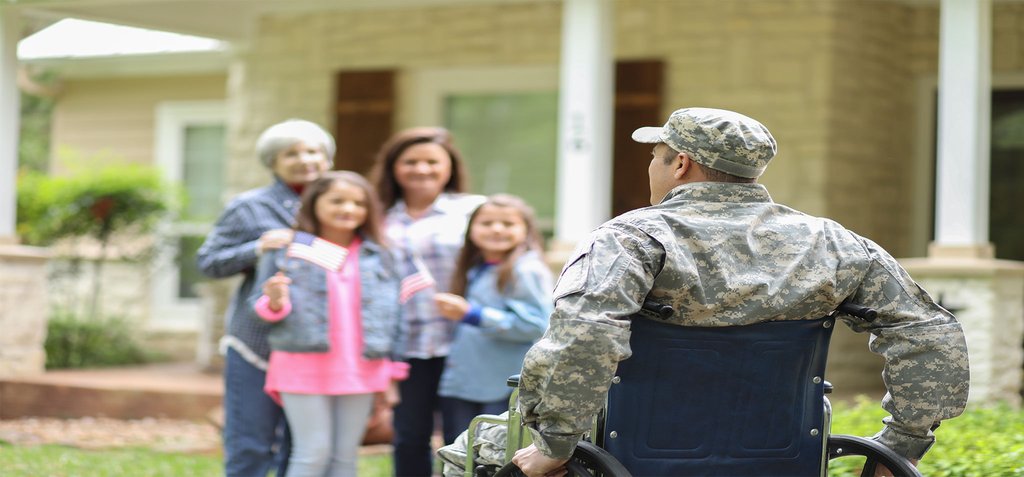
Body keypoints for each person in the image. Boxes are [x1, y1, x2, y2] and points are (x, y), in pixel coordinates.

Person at [511, 107, 970, 477]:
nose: (653, 164)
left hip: (631, 454)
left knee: (465, 451)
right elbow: (930, 332)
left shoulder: (629, 239)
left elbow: (583, 337)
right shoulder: (833, 243)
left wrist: (553, 444)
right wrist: (901, 446)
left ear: (681, 165)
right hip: (781, 456)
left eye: (656, 154)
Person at [196, 119, 334, 477]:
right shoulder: (249, 207)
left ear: (328, 158)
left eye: (313, 151)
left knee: (302, 446)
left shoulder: (341, 204)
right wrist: (256, 247)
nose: (305, 159)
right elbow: (208, 262)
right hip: (257, 345)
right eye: (292, 153)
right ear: (273, 162)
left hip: (318, 345)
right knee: (251, 443)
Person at [252, 171, 408, 477]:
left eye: (358, 203)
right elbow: (261, 308)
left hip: (362, 367)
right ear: (314, 204)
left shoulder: (382, 255)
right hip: (301, 363)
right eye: (337, 201)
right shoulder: (289, 249)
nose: (348, 209)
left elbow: (396, 318)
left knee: (344, 457)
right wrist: (274, 300)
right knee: (312, 452)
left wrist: (393, 375)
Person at [369, 127, 485, 476]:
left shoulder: (472, 209)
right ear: (393, 167)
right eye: (410, 161)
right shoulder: (377, 215)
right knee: (409, 436)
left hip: (463, 339)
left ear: (449, 166)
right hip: (406, 345)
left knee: (462, 436)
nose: (422, 169)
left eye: (432, 161)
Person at [433, 194, 553, 445]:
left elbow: (536, 324)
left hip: (502, 386)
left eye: (508, 224)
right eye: (487, 223)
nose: (497, 229)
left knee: (492, 458)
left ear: (526, 230)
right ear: (471, 229)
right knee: (459, 457)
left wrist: (472, 315)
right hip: (464, 381)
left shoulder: (526, 269)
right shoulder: (475, 267)